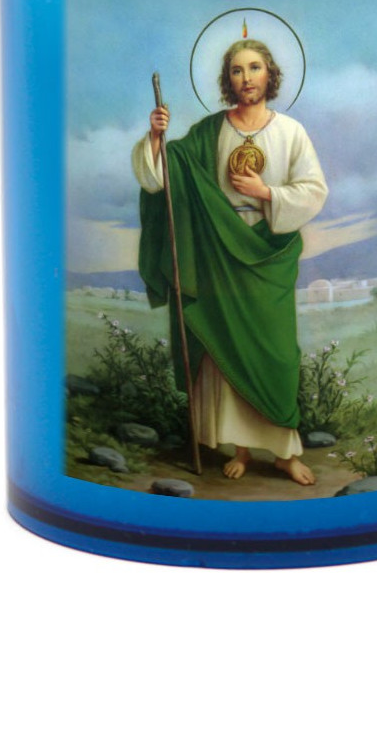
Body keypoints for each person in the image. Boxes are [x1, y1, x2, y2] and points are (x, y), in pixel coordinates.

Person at [132, 39, 328, 484]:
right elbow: (166, 177)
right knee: (226, 353)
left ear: (269, 74)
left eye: (254, 68)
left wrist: (266, 192)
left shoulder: (291, 132)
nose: (246, 78)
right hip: (218, 252)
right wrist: (158, 138)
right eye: (237, 70)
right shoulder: (208, 131)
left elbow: (314, 190)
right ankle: (240, 449)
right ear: (228, 81)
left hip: (268, 251)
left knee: (277, 354)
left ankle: (284, 453)